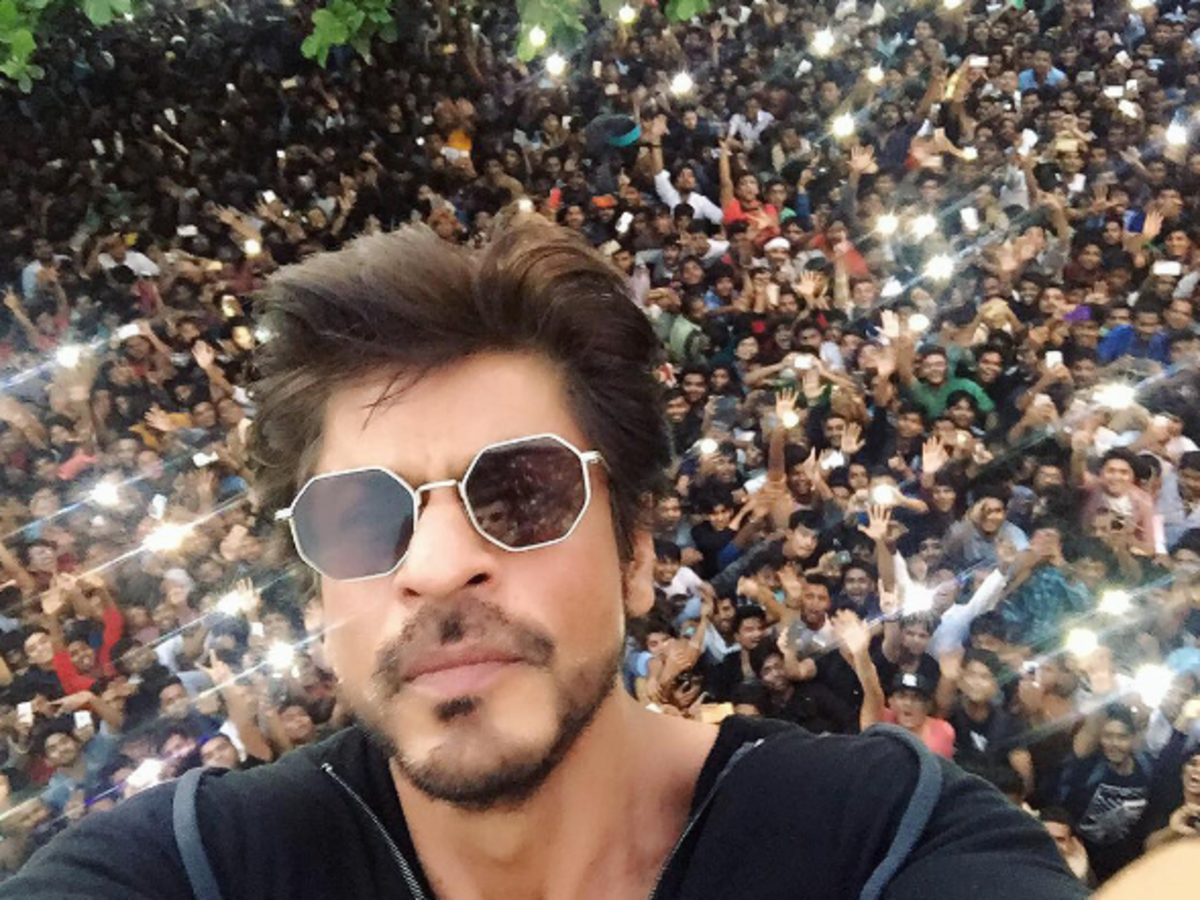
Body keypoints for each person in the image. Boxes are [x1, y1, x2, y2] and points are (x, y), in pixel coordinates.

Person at [1, 225, 1087, 899]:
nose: (433, 565)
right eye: (358, 518)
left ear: (638, 554)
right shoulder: (192, 870)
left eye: (519, 491)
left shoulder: (878, 840)